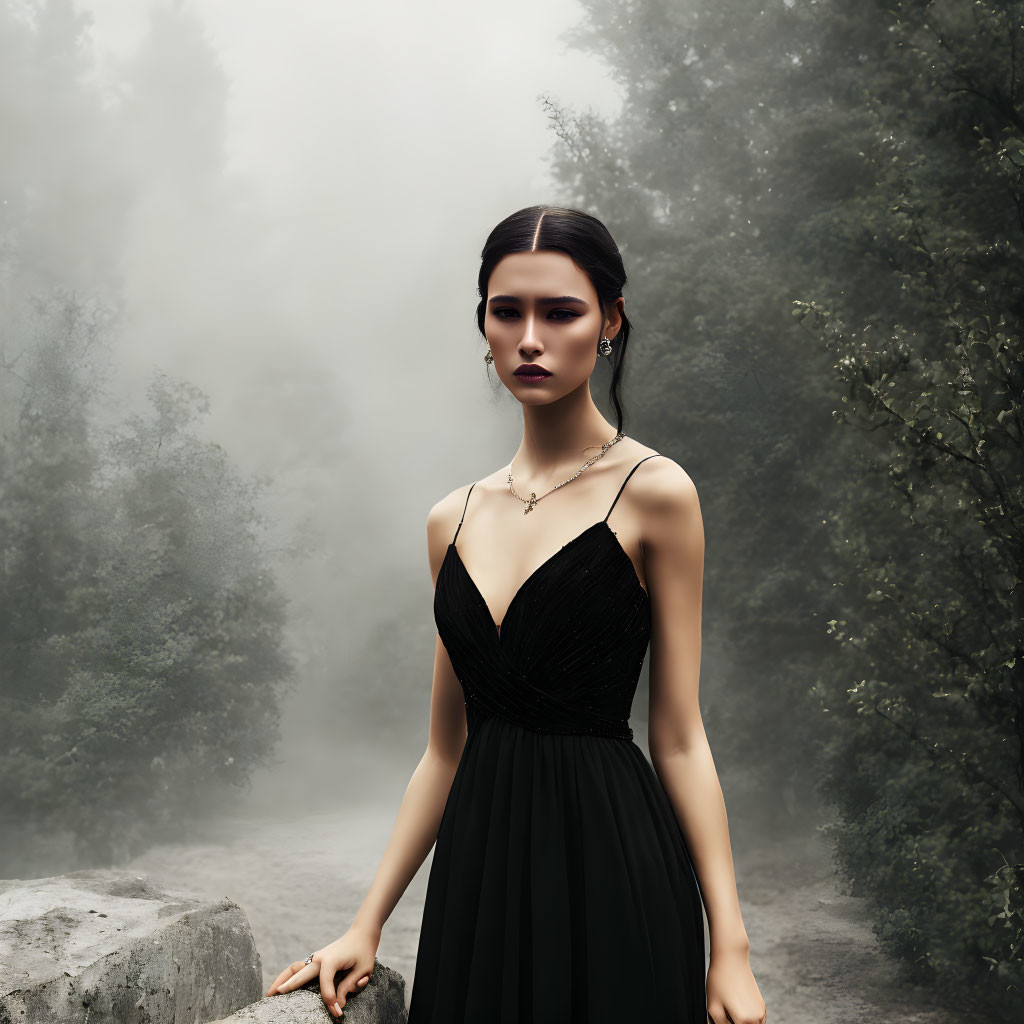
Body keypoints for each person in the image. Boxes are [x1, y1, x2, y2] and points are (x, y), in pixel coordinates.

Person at [266, 205, 767, 1023]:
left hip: (613, 866)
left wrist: (731, 949)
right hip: (480, 878)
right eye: (508, 312)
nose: (530, 337)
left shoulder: (658, 495)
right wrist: (368, 921)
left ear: (609, 322)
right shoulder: (451, 519)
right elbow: (442, 752)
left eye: (561, 312)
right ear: (485, 327)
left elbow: (679, 736)